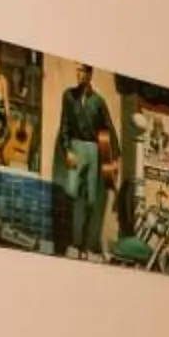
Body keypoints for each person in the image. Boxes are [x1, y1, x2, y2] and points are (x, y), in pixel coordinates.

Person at [51, 61, 117, 256]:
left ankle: (84, 247)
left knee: (90, 200)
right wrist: (66, 150)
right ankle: (69, 241)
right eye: (77, 70)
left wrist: (114, 158)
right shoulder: (68, 96)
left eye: (83, 71)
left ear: (90, 74)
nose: (79, 74)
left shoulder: (98, 101)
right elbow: (64, 124)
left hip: (93, 150)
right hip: (75, 146)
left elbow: (108, 129)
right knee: (70, 194)